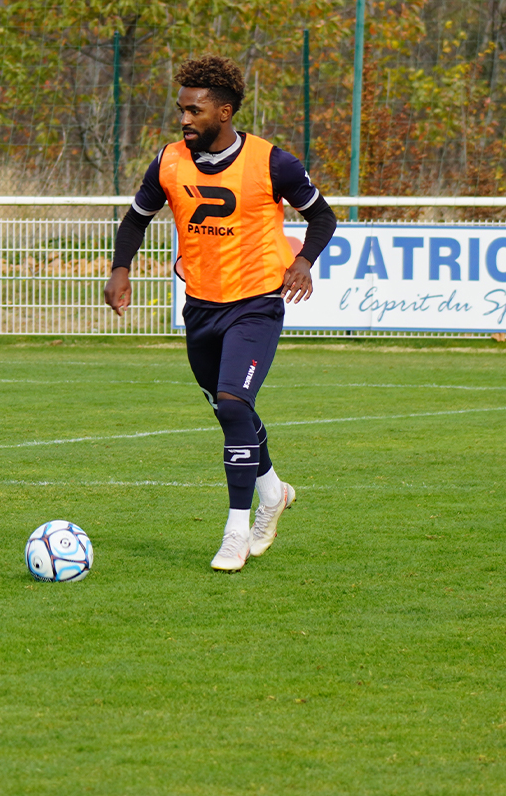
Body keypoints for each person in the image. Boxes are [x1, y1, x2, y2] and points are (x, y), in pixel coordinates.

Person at [104, 54, 338, 572]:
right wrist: (120, 270)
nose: (184, 119)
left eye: (195, 110)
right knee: (227, 411)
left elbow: (323, 217)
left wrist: (302, 262)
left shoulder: (272, 162)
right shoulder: (167, 161)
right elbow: (136, 219)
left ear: (224, 112)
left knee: (233, 403)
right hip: (201, 308)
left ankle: (237, 529)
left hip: (256, 304)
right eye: (181, 109)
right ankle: (274, 490)